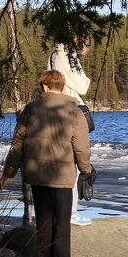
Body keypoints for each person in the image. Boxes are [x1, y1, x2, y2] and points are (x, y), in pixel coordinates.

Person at [0, 69, 91, 257]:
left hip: (37, 175)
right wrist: (85, 169)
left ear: (44, 87)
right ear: (64, 88)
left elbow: (17, 145)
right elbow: (81, 147)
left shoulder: (31, 109)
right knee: (62, 223)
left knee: (44, 222)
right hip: (63, 176)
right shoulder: (74, 110)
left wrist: (8, 173)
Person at [48, 43, 94, 226]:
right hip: (67, 111)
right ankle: (69, 213)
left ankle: (67, 212)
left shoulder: (61, 56)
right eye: (85, 43)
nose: (86, 48)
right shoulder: (62, 56)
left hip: (63, 112)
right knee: (70, 167)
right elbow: (83, 86)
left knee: (67, 167)